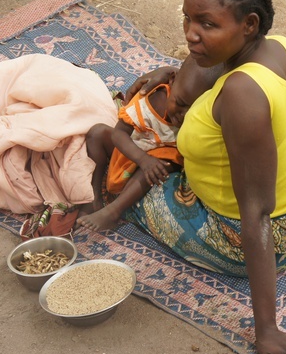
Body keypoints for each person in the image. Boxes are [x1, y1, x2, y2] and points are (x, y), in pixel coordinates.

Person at [121, 0, 286, 354]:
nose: (190, 34)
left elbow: (255, 214)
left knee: (128, 165)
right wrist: (176, 72)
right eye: (187, 19)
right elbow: (216, 71)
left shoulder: (240, 96)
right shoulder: (283, 49)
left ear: (249, 24)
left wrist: (268, 329)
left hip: (253, 239)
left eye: (207, 24)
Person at [76, 58, 214, 231]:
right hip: (132, 147)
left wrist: (146, 162)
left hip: (157, 160)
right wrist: (141, 158)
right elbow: (119, 134)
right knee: (96, 133)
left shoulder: (206, 116)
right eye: (180, 103)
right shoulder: (151, 99)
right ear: (171, 80)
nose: (182, 115)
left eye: (192, 110)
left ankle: (113, 211)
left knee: (161, 163)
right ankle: (93, 198)